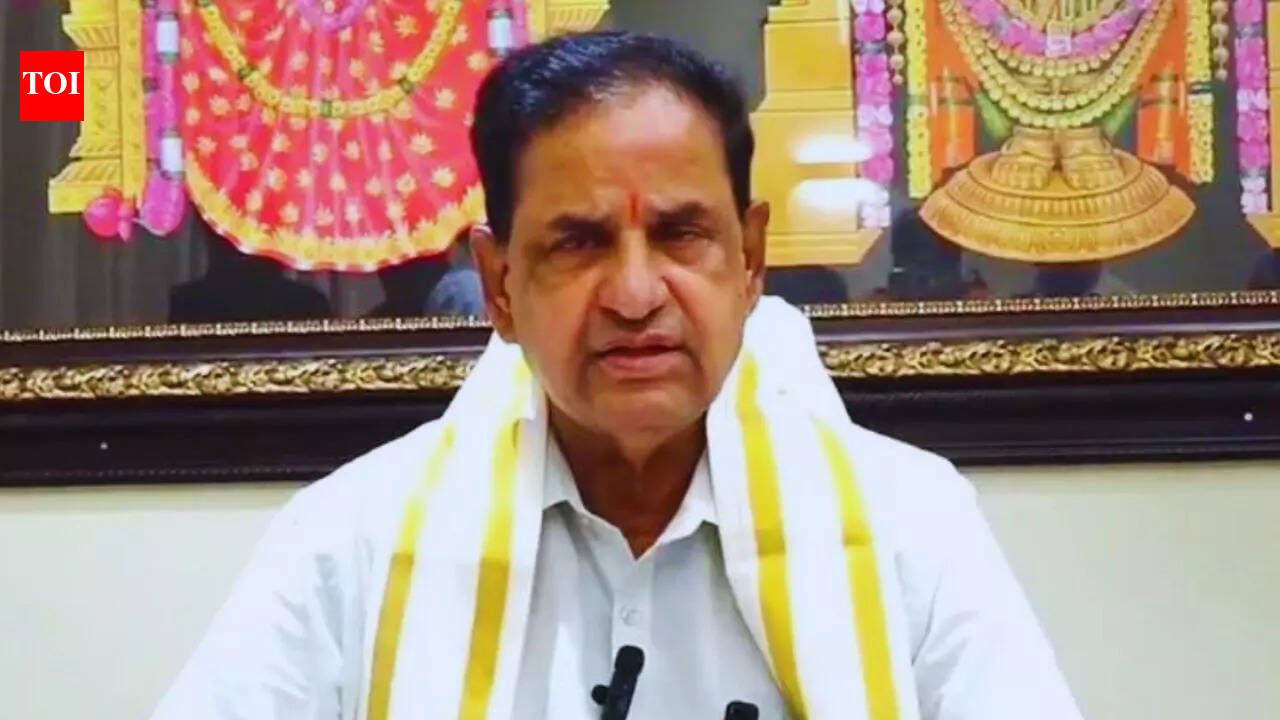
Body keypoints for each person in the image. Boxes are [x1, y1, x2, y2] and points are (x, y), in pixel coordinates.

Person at [151, 32, 1081, 720]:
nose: (636, 295)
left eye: (682, 234)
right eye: (579, 242)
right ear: (500, 285)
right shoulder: (351, 543)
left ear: (750, 260)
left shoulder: (910, 525)